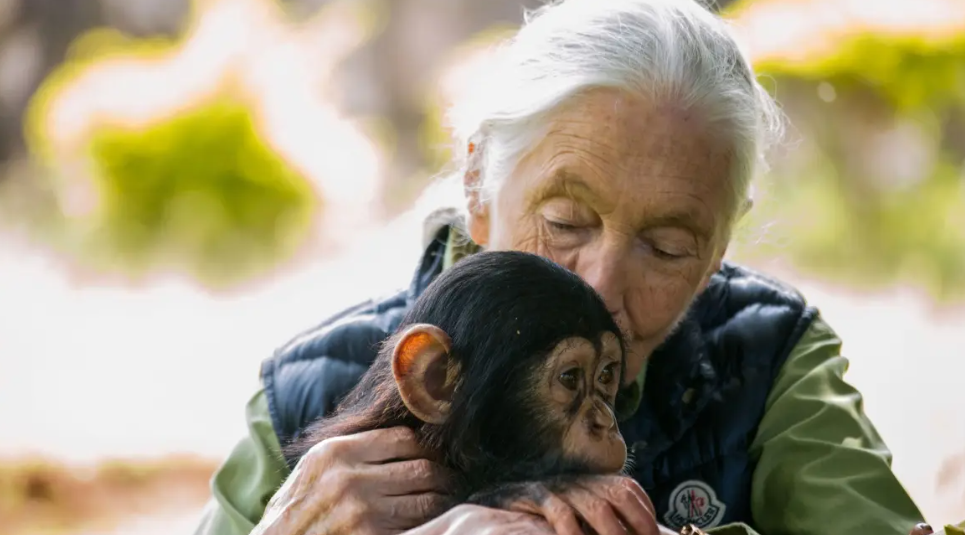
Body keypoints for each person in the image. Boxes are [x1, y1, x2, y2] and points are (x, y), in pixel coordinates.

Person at [192, 0, 935, 534]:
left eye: (667, 247)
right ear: (478, 186)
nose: (598, 288)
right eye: (565, 223)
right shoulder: (311, 388)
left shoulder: (766, 357)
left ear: (719, 248)